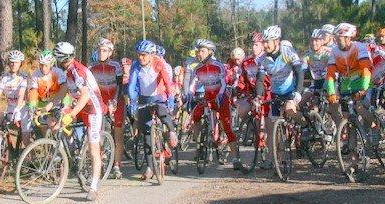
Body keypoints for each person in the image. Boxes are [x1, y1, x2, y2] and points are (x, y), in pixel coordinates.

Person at [47, 42, 106, 201]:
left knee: (94, 149)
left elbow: (86, 95)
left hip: (93, 109)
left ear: (61, 59)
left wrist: (71, 114)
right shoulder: (68, 70)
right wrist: (47, 107)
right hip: (80, 106)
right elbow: (63, 91)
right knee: (53, 120)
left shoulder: (78, 71)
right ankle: (72, 149)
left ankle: (93, 188)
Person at [255, 26, 305, 170]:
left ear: (277, 41)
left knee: (290, 110)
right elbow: (260, 79)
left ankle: (305, 125)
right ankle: (276, 158)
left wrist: (298, 92)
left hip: (291, 90)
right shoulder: (263, 59)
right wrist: (258, 97)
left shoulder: (287, 52)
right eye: (263, 42)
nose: (265, 45)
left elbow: (299, 72)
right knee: (271, 127)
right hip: (276, 94)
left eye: (267, 42)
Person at [127, 40, 177, 180]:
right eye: (139, 54)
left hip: (159, 97)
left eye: (143, 55)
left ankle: (172, 132)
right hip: (144, 99)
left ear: (151, 55)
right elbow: (131, 86)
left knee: (162, 112)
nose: (140, 57)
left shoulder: (159, 63)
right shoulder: (136, 66)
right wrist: (132, 101)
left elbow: (168, 82)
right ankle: (150, 167)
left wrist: (171, 98)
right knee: (147, 133)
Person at [188, 39, 242, 170]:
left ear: (210, 52)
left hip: (221, 98)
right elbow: (193, 83)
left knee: (227, 126)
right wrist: (189, 94)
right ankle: (199, 143)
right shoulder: (198, 68)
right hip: (207, 98)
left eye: (202, 51)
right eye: (198, 51)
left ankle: (236, 158)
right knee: (195, 114)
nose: (199, 54)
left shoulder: (218, 66)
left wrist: (219, 95)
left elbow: (223, 83)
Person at [325, 23, 373, 136]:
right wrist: (331, 93)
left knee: (360, 108)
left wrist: (364, 89)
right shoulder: (334, 51)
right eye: (335, 38)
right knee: (347, 117)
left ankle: (375, 126)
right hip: (346, 85)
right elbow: (330, 74)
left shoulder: (359, 47)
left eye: (339, 38)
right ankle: (351, 148)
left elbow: (366, 70)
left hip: (363, 82)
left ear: (348, 38)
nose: (336, 41)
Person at [89, 38, 125, 179]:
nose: (101, 53)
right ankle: (102, 161)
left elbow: (120, 86)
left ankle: (116, 165)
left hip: (116, 101)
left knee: (118, 135)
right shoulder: (92, 67)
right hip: (100, 103)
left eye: (104, 50)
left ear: (110, 52)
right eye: (99, 50)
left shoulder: (115, 66)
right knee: (99, 134)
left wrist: (115, 101)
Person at [0, 50, 31, 146]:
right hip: (11, 108)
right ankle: (8, 147)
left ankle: (31, 158)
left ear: (21, 63)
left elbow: (21, 94)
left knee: (26, 141)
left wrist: (17, 108)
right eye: (11, 62)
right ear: (8, 63)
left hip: (23, 109)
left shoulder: (24, 77)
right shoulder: (4, 77)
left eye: (16, 62)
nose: (13, 64)